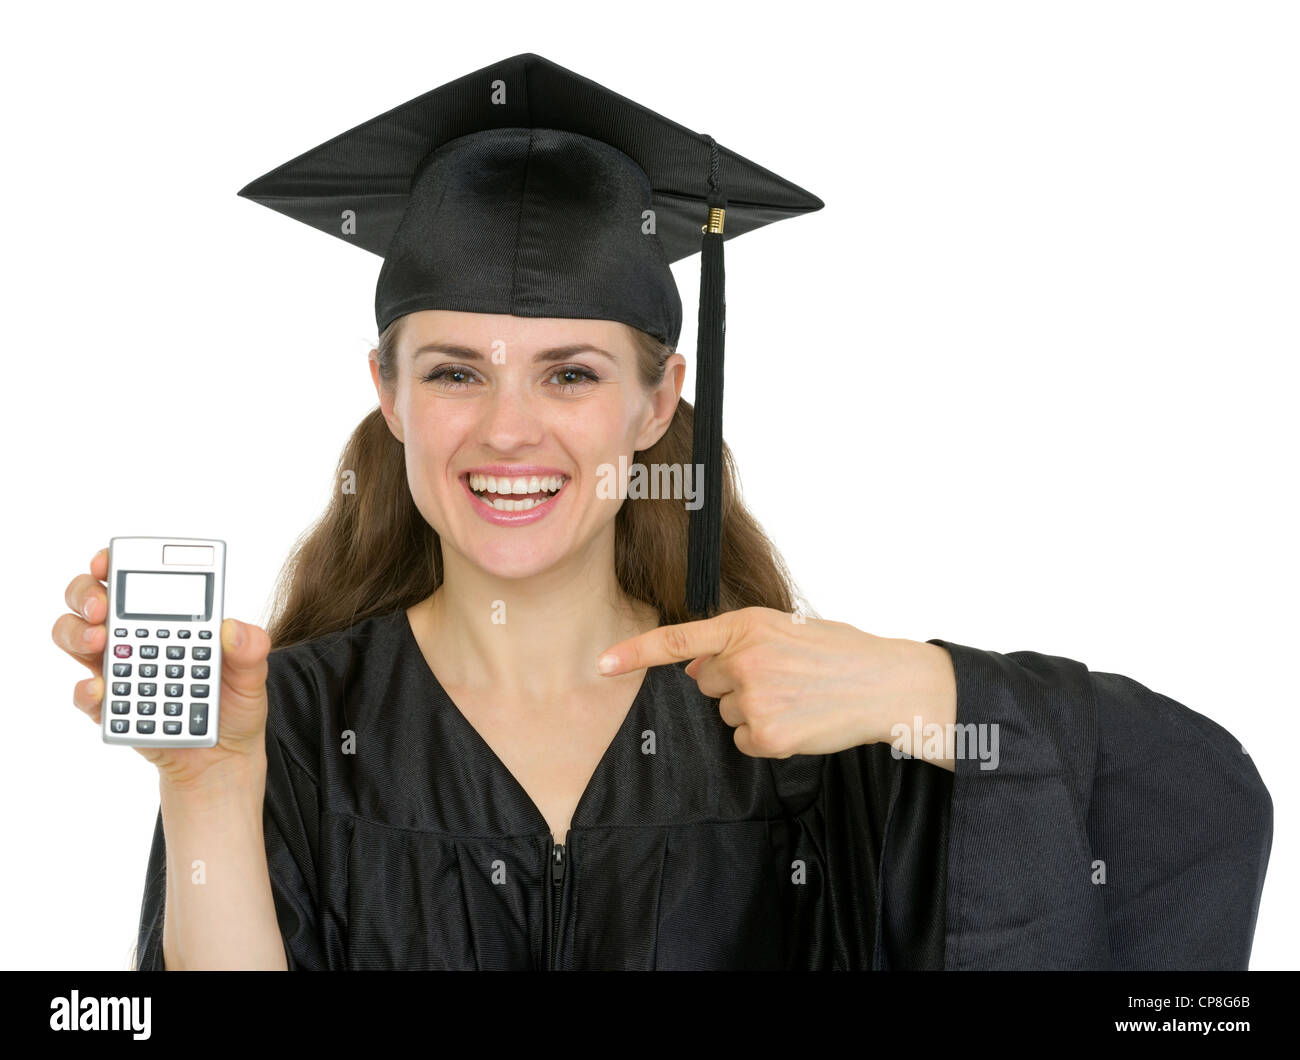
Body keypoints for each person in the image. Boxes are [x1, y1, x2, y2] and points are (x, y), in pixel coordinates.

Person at [55, 53, 1272, 970]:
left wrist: (927, 693)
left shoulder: (797, 721)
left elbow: (1193, 802)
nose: (507, 429)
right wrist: (209, 783)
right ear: (387, 394)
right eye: (453, 370)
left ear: (656, 404)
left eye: (572, 372)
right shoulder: (289, 723)